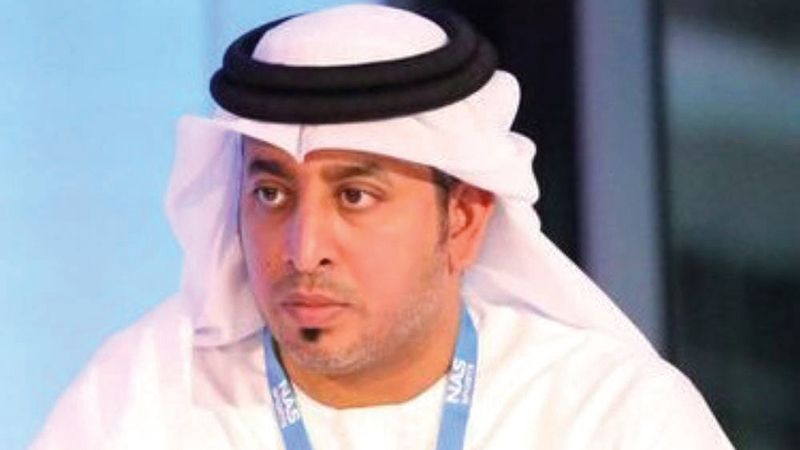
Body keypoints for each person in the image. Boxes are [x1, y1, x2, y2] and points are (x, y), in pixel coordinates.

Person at [30, 4, 733, 449]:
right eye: (271, 193)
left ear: (463, 219)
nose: (304, 249)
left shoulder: (608, 416)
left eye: (356, 196)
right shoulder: (140, 404)